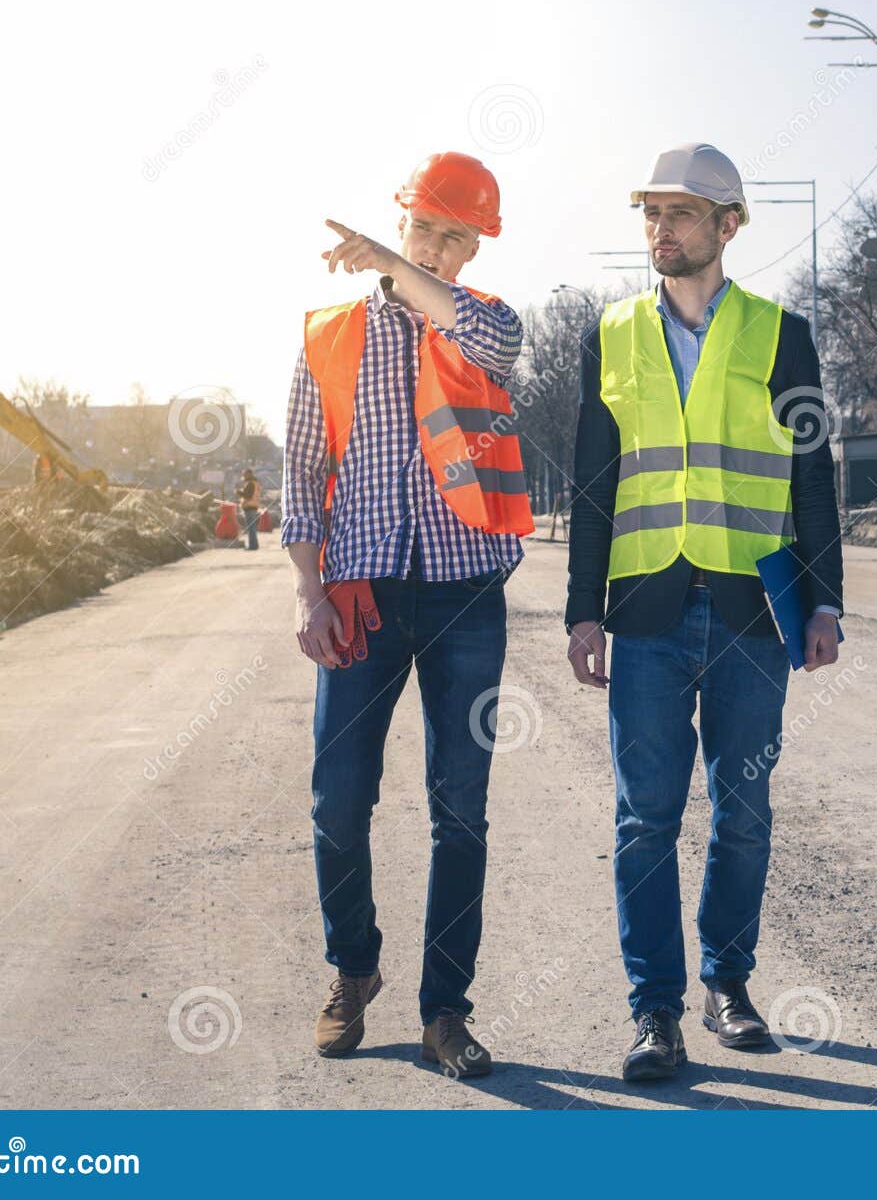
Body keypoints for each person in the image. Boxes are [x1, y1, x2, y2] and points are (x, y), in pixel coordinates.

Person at [565, 143, 844, 1082]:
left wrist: (825, 601)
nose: (662, 229)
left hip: (751, 611)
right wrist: (581, 611)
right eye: (652, 212)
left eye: (682, 214)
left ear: (729, 227)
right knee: (644, 819)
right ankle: (655, 1012)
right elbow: (595, 481)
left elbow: (811, 475)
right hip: (643, 611)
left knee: (745, 809)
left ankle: (728, 982)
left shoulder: (781, 333)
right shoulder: (610, 334)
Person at [282, 152, 532, 1077]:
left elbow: (482, 336)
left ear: (471, 251)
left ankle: (445, 1011)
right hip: (359, 595)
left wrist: (394, 262)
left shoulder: (486, 326)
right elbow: (303, 474)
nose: (433, 245)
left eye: (450, 237)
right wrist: (309, 590)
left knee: (459, 811)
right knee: (338, 802)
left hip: (468, 595)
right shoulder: (331, 335)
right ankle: (354, 969)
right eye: (422, 227)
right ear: (407, 222)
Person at [236, 469, 261, 550]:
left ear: (249, 474)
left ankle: (252, 546)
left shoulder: (250, 483)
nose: (243, 476)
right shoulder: (254, 482)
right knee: (252, 527)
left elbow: (248, 496)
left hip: (249, 507)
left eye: (245, 474)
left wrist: (239, 492)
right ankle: (254, 545)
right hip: (253, 506)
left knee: (251, 528)